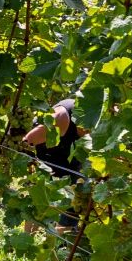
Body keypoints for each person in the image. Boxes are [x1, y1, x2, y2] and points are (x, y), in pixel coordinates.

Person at [22, 98, 86, 229]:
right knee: (40, 201)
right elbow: (25, 143)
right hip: (46, 155)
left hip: (69, 158)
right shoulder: (61, 118)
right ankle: (26, 242)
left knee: (76, 201)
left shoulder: (102, 125)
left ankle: (59, 245)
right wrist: (33, 170)